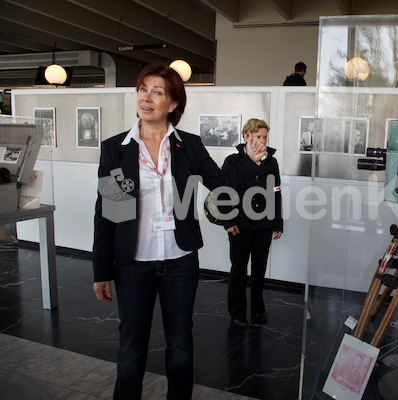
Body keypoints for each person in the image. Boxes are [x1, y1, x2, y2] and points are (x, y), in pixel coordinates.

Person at [92, 63, 266, 400]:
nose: (147, 97)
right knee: (130, 348)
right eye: (143, 88)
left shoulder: (189, 146)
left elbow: (223, 187)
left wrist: (250, 160)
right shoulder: (117, 148)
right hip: (131, 264)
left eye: (158, 92)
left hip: (180, 261)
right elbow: (108, 213)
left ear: (172, 104)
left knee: (180, 344)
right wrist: (101, 270)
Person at [221, 118, 283, 327]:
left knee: (259, 270)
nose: (262, 140)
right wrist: (228, 221)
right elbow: (225, 192)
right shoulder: (233, 161)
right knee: (238, 269)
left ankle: (258, 310)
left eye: (265, 137)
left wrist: (277, 222)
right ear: (246, 136)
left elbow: (276, 193)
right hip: (240, 225)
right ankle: (237, 312)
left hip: (264, 225)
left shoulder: (271, 162)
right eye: (258, 136)